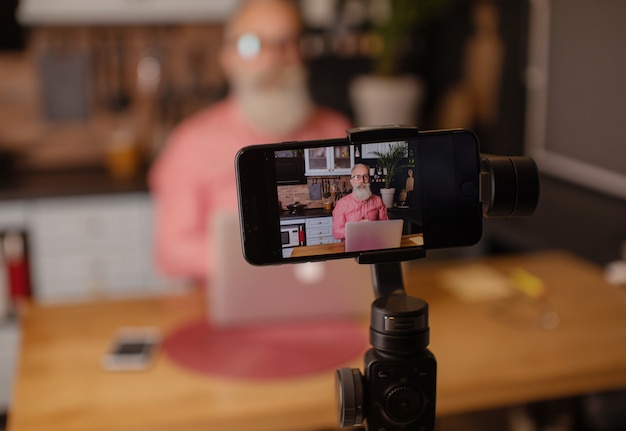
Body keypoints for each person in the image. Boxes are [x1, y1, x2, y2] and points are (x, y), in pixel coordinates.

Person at [149, 0, 351, 282]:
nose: (272, 58)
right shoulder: (190, 143)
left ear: (302, 53)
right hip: (226, 307)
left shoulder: (337, 131)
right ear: (227, 58)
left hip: (324, 300)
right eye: (253, 45)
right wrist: (267, 258)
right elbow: (171, 251)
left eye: (286, 42)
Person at [332, 164, 388, 240]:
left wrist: (373, 226)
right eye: (357, 177)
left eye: (365, 176)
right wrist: (357, 228)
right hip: (351, 247)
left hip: (373, 244)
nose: (362, 181)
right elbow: (336, 233)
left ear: (369, 180)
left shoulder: (378, 200)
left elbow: (386, 225)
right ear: (351, 182)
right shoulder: (342, 204)